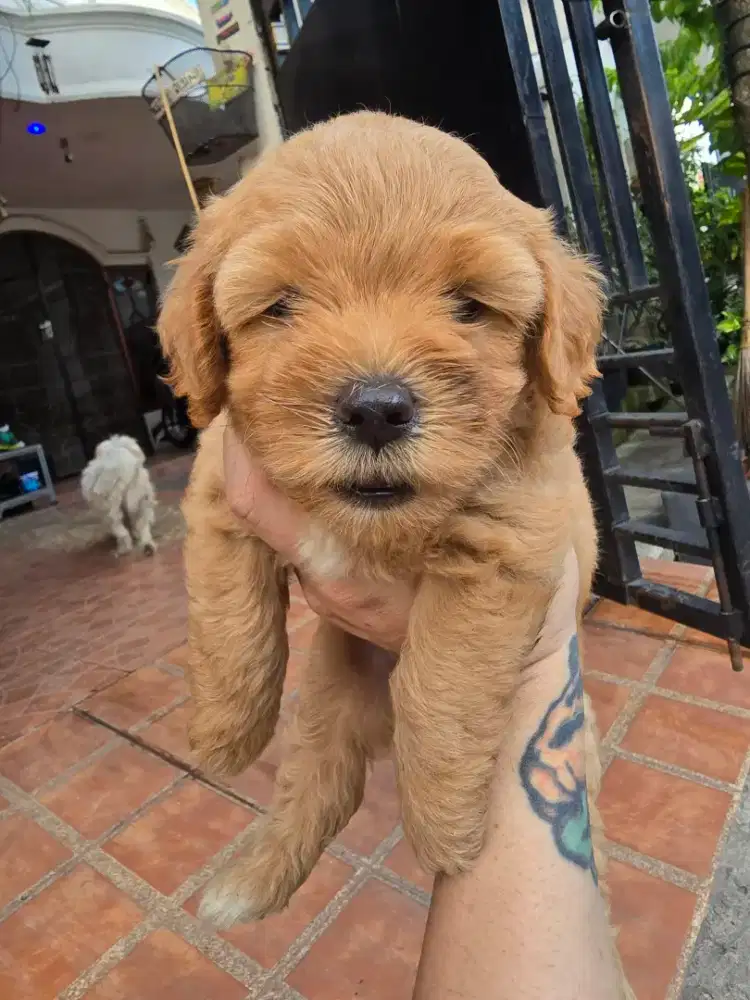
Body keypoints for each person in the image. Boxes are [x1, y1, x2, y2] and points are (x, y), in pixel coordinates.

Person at [223, 423, 623, 1000]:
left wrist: (531, 666)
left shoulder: (515, 447)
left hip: (499, 592)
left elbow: (518, 542)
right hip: (366, 626)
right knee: (330, 716)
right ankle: (288, 844)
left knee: (475, 776)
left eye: (467, 321)